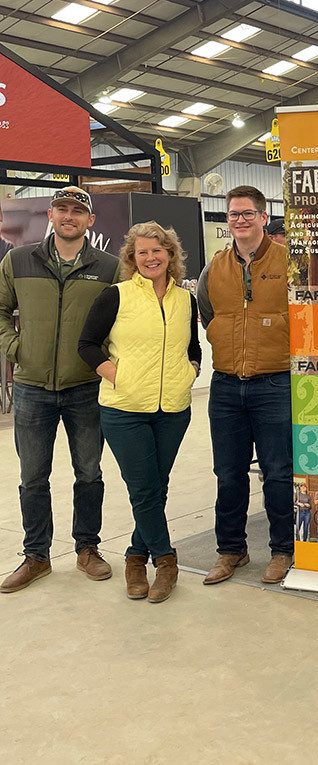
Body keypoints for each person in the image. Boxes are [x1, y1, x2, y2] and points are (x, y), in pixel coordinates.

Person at [0, 187, 119, 593]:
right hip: (32, 387)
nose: (70, 216)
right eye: (63, 209)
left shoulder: (109, 266)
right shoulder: (18, 259)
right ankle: (36, 556)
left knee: (89, 473)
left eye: (78, 211)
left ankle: (88, 548)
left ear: (90, 220)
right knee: (33, 477)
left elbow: (122, 320)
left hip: (86, 386)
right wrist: (16, 349)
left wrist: (104, 362)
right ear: (50, 215)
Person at [78, 222, 200, 603]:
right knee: (144, 488)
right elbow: (86, 345)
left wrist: (190, 371)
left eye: (158, 251)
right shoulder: (116, 295)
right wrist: (117, 375)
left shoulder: (185, 299)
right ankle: (166, 562)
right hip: (125, 409)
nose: (150, 258)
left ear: (171, 256)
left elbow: (193, 346)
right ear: (132, 258)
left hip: (174, 409)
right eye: (142, 252)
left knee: (155, 488)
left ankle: (134, 556)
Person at [197, 185, 293, 585]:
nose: (239, 220)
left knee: (278, 472)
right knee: (229, 473)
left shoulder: (289, 262)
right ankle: (231, 549)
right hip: (225, 386)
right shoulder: (213, 267)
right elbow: (206, 312)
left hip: (276, 383)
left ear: (264, 216)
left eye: (247, 213)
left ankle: (283, 550)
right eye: (232, 214)